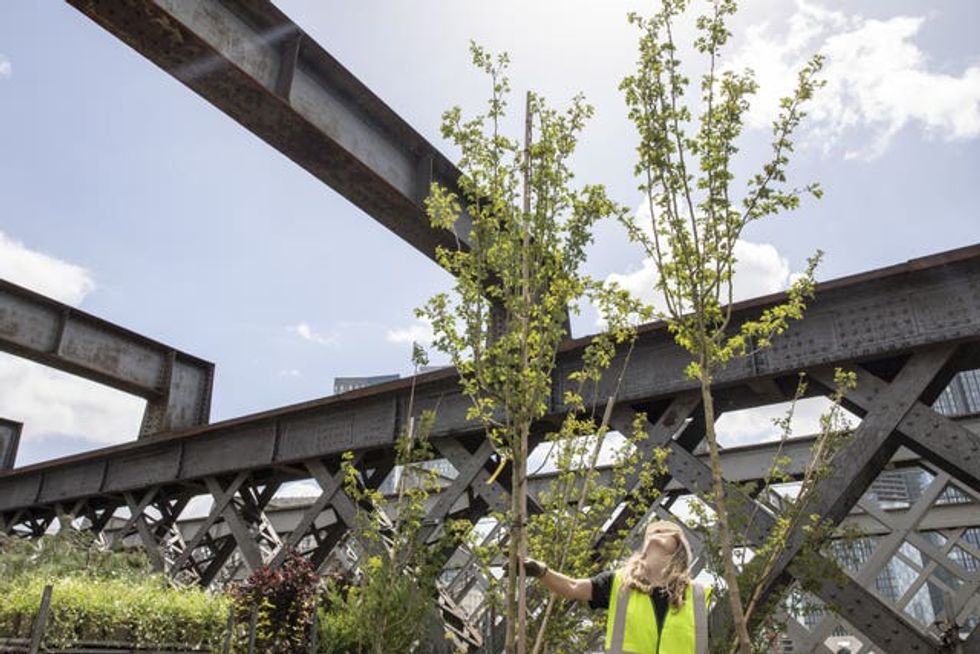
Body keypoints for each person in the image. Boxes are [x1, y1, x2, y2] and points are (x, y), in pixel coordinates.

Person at [524, 520, 710, 654]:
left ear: (678, 548)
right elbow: (572, 587)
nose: (658, 529)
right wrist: (541, 571)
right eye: (653, 531)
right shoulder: (619, 583)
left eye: (666, 531)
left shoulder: (697, 596)